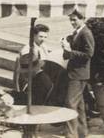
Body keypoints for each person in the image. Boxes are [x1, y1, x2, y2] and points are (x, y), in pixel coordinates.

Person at [62, 8, 95, 138]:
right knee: (79, 105)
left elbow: (89, 54)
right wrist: (67, 43)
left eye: (74, 20)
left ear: (83, 19)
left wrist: (70, 52)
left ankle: (71, 135)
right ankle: (82, 133)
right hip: (77, 73)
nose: (72, 22)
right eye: (70, 20)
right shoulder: (79, 32)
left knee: (70, 104)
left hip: (79, 74)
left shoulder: (86, 33)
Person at [13, 23, 58, 106]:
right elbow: (20, 73)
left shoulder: (43, 47)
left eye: (45, 37)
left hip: (41, 79)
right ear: (34, 35)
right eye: (40, 36)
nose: (43, 39)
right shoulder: (27, 50)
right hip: (30, 82)